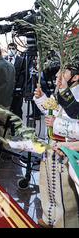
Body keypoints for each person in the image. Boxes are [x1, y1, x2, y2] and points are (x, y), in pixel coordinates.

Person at [33, 66, 79, 228]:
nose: (58, 75)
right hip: (52, 144)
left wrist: (57, 124)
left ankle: (65, 224)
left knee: (64, 192)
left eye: (64, 72)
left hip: (67, 148)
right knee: (48, 184)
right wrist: (41, 98)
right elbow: (51, 110)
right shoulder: (61, 89)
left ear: (75, 77)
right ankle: (50, 218)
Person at [5, 43, 26, 132]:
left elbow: (24, 76)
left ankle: (17, 129)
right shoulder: (4, 59)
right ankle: (8, 128)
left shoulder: (21, 60)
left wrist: (21, 88)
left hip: (17, 90)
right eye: (9, 48)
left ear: (16, 49)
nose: (11, 50)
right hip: (6, 90)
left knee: (17, 110)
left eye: (13, 48)